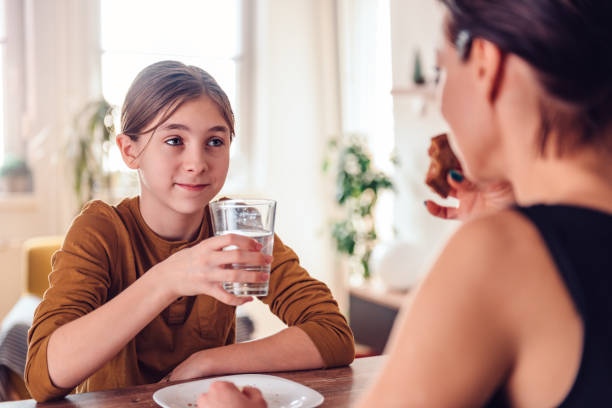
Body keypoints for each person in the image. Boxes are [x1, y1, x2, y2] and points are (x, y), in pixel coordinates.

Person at [196, 0, 612, 406]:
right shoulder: (527, 243)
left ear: (486, 64)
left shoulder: (502, 250)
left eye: (441, 70)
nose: (444, 101)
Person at [24, 60, 355, 402]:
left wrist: (210, 362)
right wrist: (168, 278)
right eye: (174, 140)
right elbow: (43, 375)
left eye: (215, 141)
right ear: (130, 150)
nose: (197, 163)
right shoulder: (102, 231)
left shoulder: (235, 227)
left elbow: (333, 334)